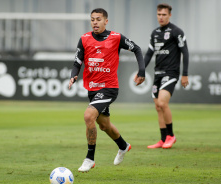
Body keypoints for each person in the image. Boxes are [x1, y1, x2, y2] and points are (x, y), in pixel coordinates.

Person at [68, 8, 145, 172]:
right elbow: (77, 62)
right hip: (92, 89)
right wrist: (73, 76)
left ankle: (90, 159)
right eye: (92, 19)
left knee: (89, 116)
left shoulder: (116, 38)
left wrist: (142, 71)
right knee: (103, 125)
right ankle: (123, 146)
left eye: (98, 19)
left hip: (109, 87)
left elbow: (137, 49)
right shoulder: (84, 39)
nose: (95, 22)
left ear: (106, 21)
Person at [144, 3, 189, 149]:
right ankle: (163, 139)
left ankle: (171, 136)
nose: (161, 17)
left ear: (170, 15)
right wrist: (141, 71)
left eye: (164, 14)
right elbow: (150, 53)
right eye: (159, 14)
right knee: (158, 107)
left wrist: (185, 74)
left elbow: (185, 52)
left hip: (171, 73)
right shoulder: (155, 33)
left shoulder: (177, 31)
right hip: (157, 73)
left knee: (163, 103)